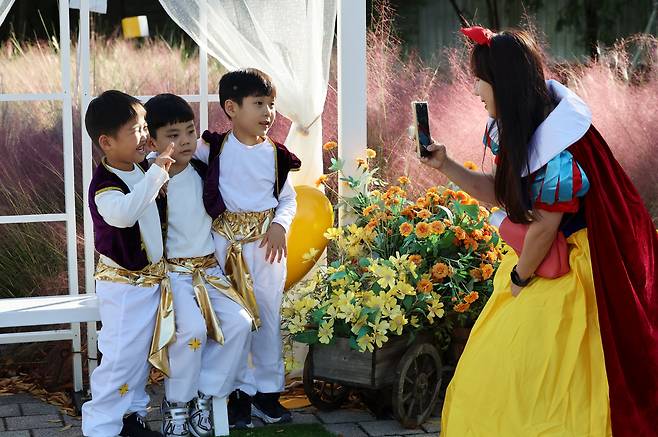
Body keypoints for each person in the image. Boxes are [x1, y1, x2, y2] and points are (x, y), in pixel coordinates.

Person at [421, 27, 658, 437]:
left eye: (481, 79)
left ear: (504, 83)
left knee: (546, 376)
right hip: (543, 259)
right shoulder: (524, 125)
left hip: (576, 270)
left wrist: (519, 277)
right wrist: (444, 164)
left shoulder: (557, 142)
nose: (475, 89)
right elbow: (500, 192)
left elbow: (546, 226)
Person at [194, 68, 300, 429]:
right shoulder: (213, 148)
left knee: (267, 320)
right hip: (225, 250)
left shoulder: (276, 155)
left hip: (266, 252)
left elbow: (288, 200)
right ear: (231, 107)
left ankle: (267, 395)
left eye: (271, 104)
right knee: (234, 322)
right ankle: (236, 394)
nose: (268, 113)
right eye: (259, 104)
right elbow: (175, 154)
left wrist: (279, 225)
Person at [144, 93, 254, 437]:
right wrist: (153, 171)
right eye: (173, 136)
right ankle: (177, 405)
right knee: (189, 332)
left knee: (240, 323)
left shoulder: (203, 171)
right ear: (154, 141)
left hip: (209, 271)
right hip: (174, 275)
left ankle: (205, 397)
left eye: (190, 132)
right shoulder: (150, 180)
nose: (185, 142)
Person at [82, 90, 174, 437]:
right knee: (120, 357)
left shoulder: (138, 169)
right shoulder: (104, 186)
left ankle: (132, 417)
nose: (145, 135)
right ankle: (101, 426)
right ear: (106, 142)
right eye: (136, 130)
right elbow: (124, 215)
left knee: (138, 357)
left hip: (148, 282)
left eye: (145, 126)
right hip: (123, 286)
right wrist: (156, 175)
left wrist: (154, 174)